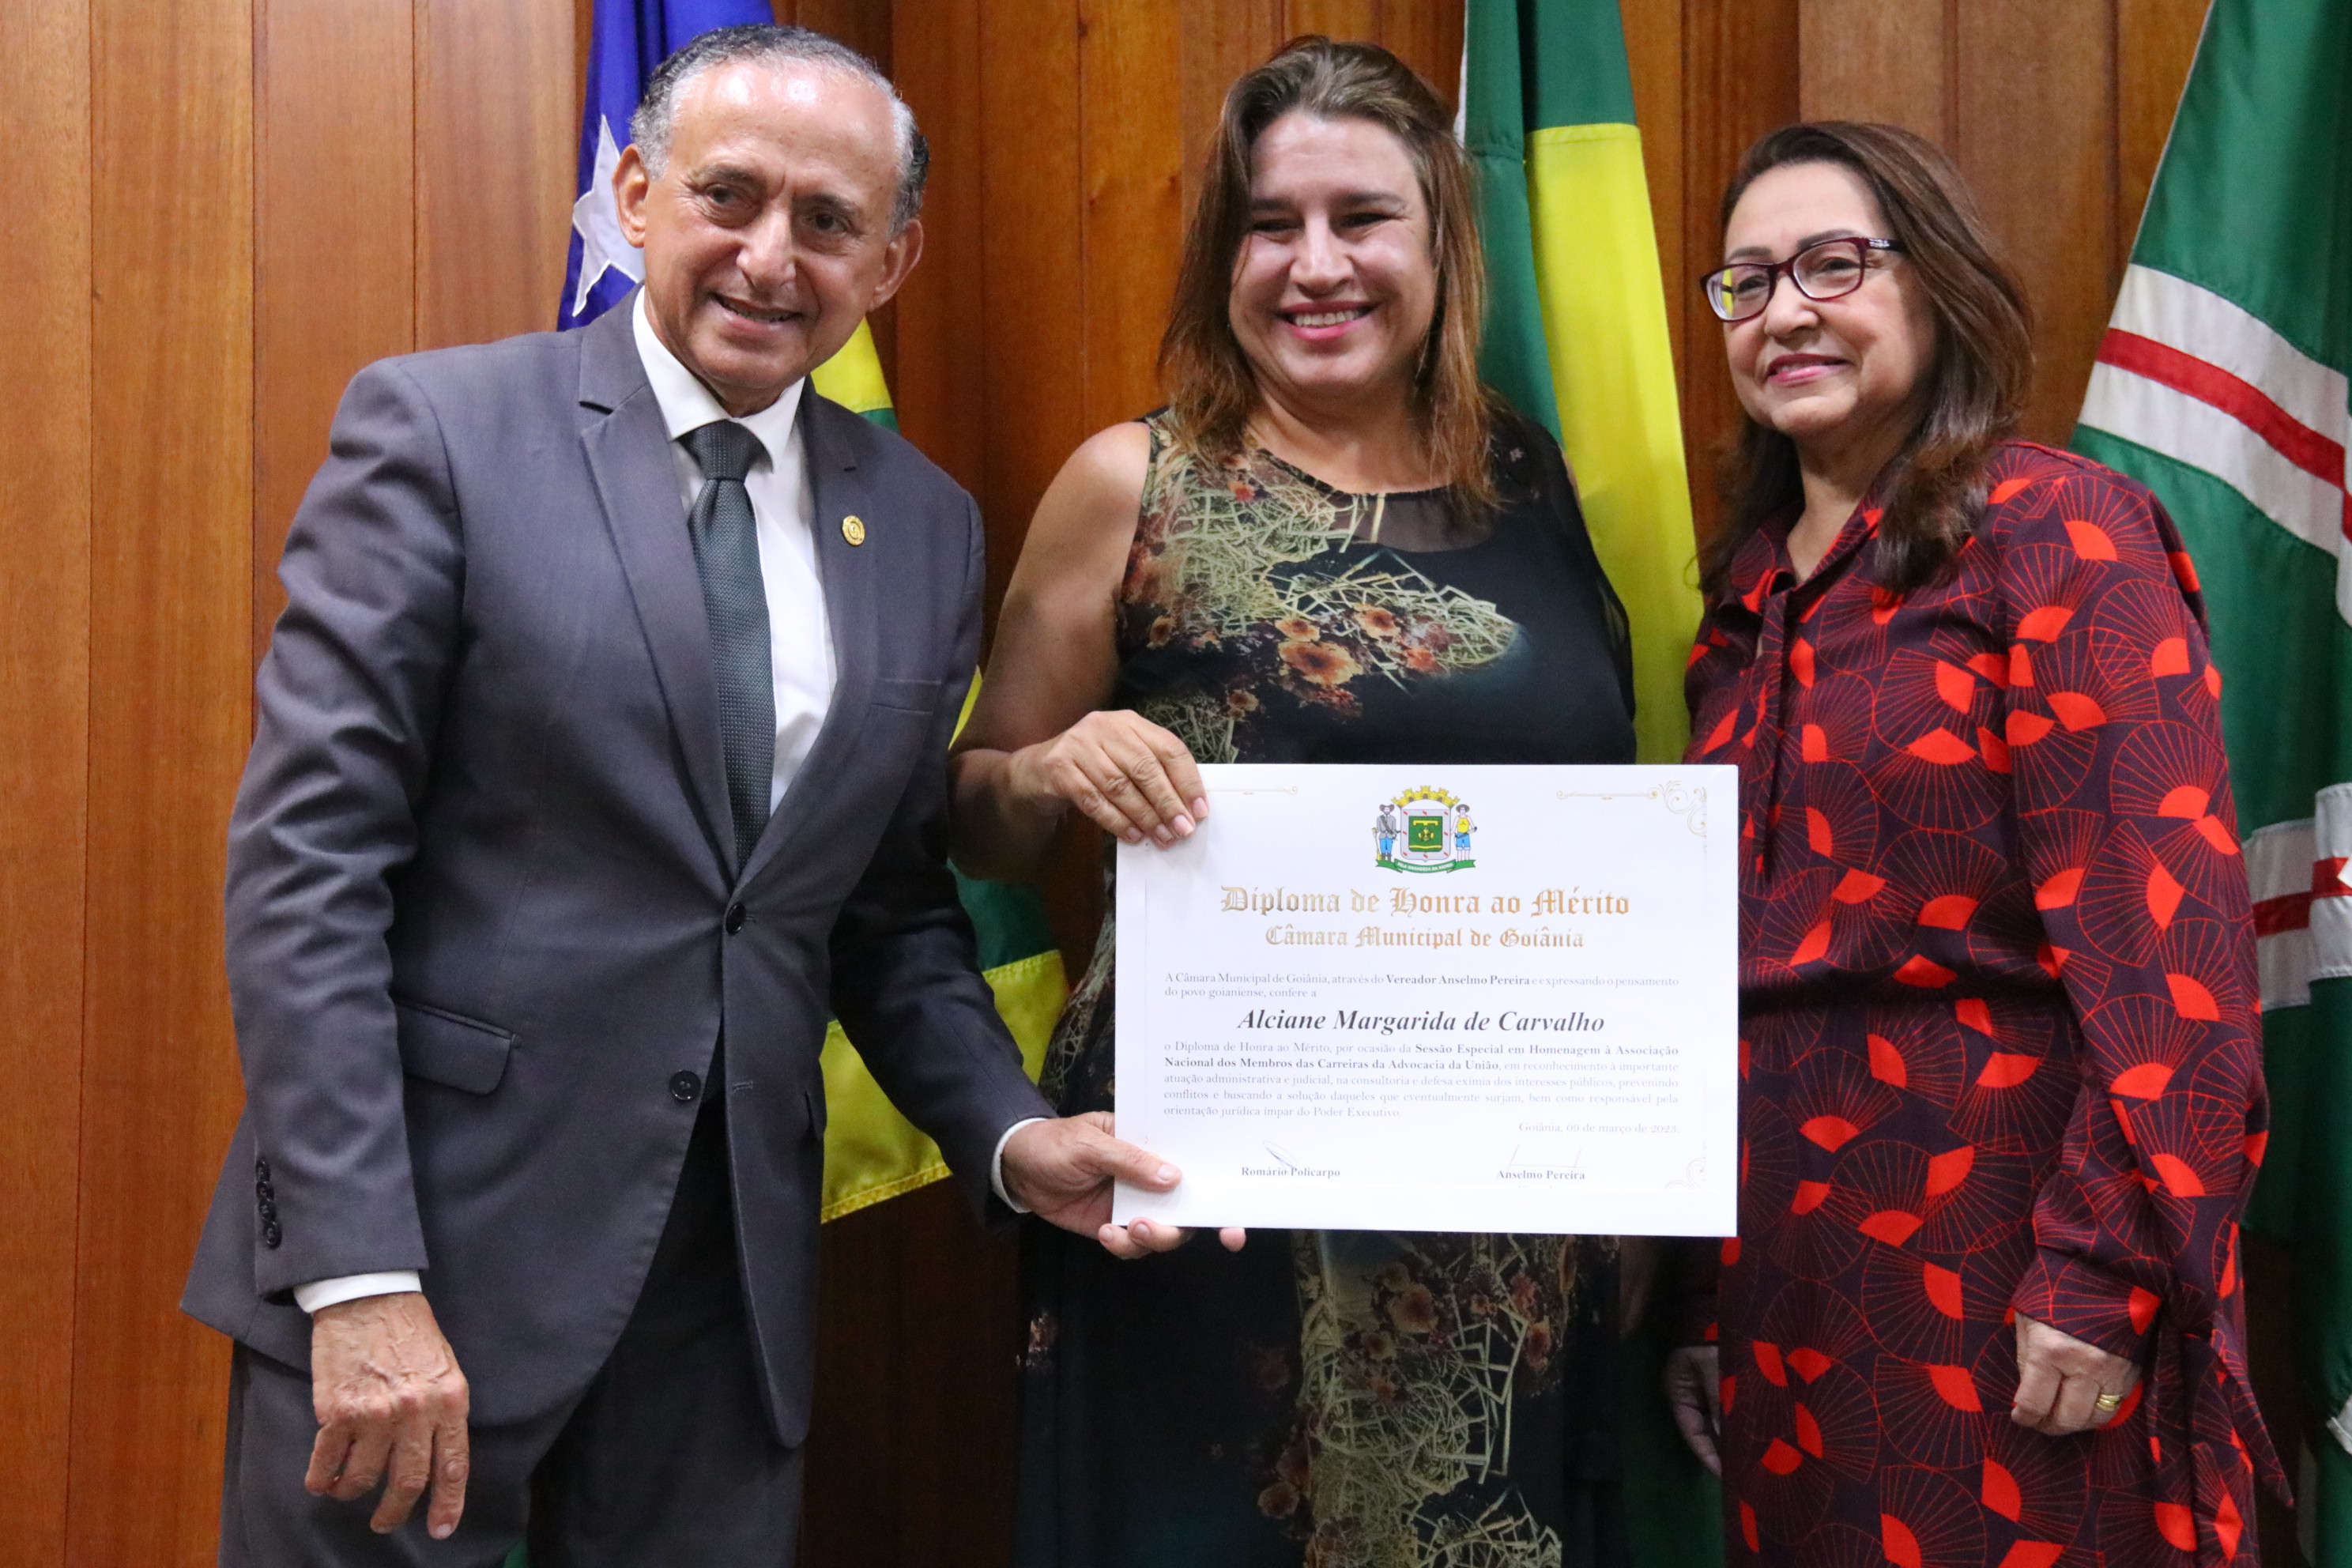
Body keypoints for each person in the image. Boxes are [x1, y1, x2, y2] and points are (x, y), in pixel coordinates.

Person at [182, 24, 1191, 1566]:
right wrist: (358, 1275)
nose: (772, 257)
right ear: (639, 197)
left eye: (830, 220)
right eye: (730, 195)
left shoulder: (922, 524)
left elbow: (883, 905)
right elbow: (306, 872)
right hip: (426, 1260)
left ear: (893, 261)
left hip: (724, 1310)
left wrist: (1007, 1132)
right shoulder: (441, 432)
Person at [951, 38, 1641, 1568]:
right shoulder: (1133, 484)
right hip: (1207, 1199)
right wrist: (1054, 768)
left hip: (1501, 1206)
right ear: (1227, 256)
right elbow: (974, 812)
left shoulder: (1526, 478)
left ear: (1441, 244)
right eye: (1272, 225)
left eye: (1362, 218)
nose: (1316, 265)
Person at [1666, 121, 2282, 1565]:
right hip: (1784, 1279)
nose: (1785, 313)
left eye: (1833, 265)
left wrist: (2100, 1270)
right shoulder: (1743, 602)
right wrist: (1698, 1294)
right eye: (1747, 283)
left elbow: (2171, 948)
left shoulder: (2058, 530)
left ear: (1936, 285)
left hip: (2011, 1260)